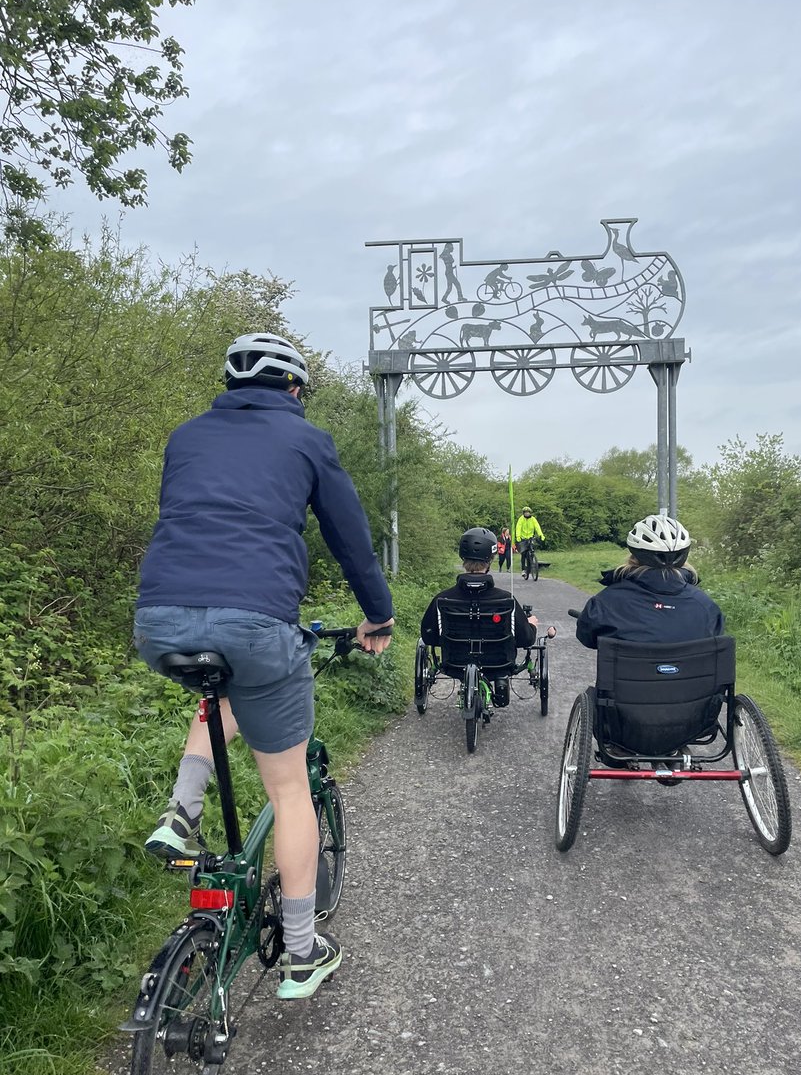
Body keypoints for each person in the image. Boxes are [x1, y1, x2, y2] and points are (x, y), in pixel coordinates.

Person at [134, 332, 394, 1002]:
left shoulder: (186, 435)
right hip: (256, 623)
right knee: (288, 792)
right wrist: (379, 616)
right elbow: (350, 540)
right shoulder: (307, 440)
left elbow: (190, 520)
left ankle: (180, 814)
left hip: (160, 618)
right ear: (295, 390)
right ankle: (303, 954)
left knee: (216, 693)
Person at [575, 514, 723, 649]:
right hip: (693, 678)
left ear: (634, 555)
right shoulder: (705, 606)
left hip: (629, 678)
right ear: (684, 556)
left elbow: (587, 638)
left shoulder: (606, 602)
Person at [420, 527, 538, 651]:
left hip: (454, 666)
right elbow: (525, 639)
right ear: (491, 560)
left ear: (463, 558)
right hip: (498, 667)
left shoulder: (442, 598)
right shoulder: (506, 599)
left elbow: (428, 636)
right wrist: (531, 625)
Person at [515, 506, 544, 577]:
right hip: (523, 538)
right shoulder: (521, 519)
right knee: (523, 553)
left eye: (528, 512)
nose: (527, 514)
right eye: (525, 512)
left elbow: (537, 527)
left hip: (530, 537)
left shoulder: (533, 519)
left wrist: (541, 535)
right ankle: (523, 570)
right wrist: (518, 536)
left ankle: (530, 565)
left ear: (530, 513)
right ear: (523, 513)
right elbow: (518, 527)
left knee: (531, 551)